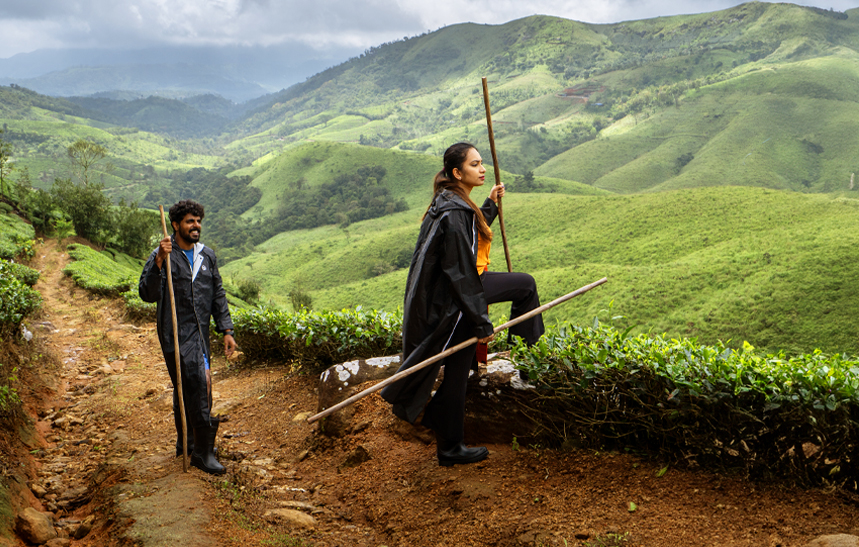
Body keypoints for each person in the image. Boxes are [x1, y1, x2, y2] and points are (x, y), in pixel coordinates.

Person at [381, 142, 544, 467]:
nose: (482, 169)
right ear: (457, 172)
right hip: (456, 299)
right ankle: (528, 362)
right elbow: (460, 271)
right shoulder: (454, 210)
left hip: (449, 298)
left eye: (483, 163)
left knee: (458, 371)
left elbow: (468, 232)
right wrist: (481, 321)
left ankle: (449, 445)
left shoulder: (450, 202)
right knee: (525, 286)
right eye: (475, 164)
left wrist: (490, 206)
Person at [138, 199, 235, 475]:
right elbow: (147, 294)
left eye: (199, 221)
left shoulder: (207, 256)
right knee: (196, 383)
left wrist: (226, 330)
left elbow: (218, 294)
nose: (196, 226)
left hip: (200, 333)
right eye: (190, 221)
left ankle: (189, 443)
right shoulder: (164, 254)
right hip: (174, 333)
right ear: (176, 225)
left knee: (196, 384)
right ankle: (203, 453)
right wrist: (158, 261)